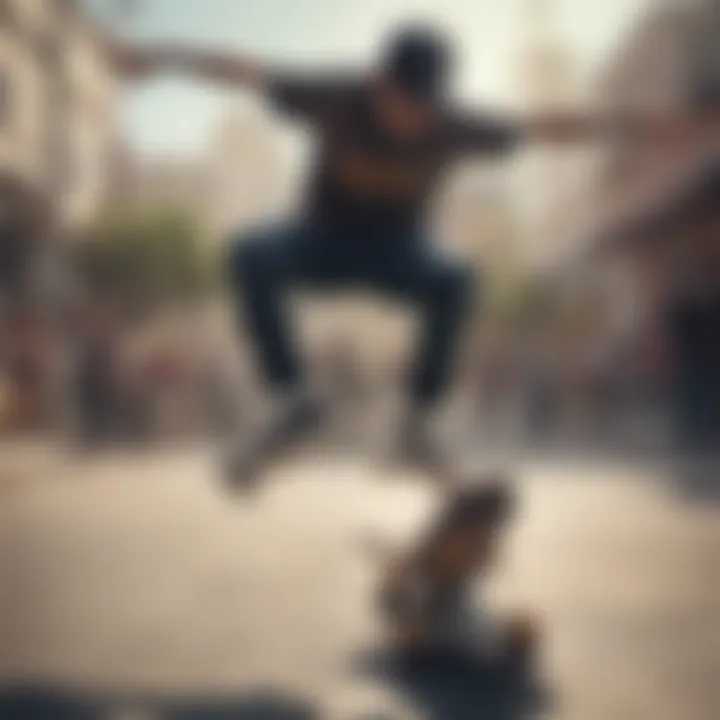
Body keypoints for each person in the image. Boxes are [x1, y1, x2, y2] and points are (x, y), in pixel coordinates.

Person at [114, 25, 686, 487]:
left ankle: (416, 421)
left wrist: (634, 127)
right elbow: (245, 72)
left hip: (397, 251)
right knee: (251, 252)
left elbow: (544, 128)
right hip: (320, 239)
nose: (411, 122)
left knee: (456, 276)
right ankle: (293, 401)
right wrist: (160, 57)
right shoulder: (336, 97)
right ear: (378, 83)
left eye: (422, 111)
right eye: (400, 107)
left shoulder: (452, 124)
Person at [378, 479, 536, 664]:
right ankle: (420, 640)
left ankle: (424, 639)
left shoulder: (475, 538)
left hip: (449, 600)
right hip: (428, 600)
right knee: (453, 634)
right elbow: (418, 581)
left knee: (515, 629)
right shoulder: (455, 538)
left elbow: (473, 573)